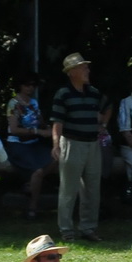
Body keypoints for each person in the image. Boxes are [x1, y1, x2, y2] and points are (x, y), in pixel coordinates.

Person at [51, 53, 110, 241]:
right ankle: (66, 230)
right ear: (72, 72)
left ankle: (88, 228)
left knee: (93, 189)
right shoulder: (63, 94)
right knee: (69, 190)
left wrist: (103, 125)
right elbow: (57, 122)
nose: (87, 71)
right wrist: (56, 145)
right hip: (71, 143)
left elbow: (108, 106)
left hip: (92, 145)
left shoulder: (93, 92)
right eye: (83, 68)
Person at [4, 71, 51, 219]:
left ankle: (31, 184)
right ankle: (32, 207)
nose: (30, 88)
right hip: (18, 145)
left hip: (35, 144)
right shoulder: (13, 104)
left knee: (58, 156)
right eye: (27, 85)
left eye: (33, 85)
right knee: (37, 171)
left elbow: (41, 123)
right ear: (20, 86)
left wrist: (50, 128)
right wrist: (36, 131)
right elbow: (14, 129)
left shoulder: (34, 103)